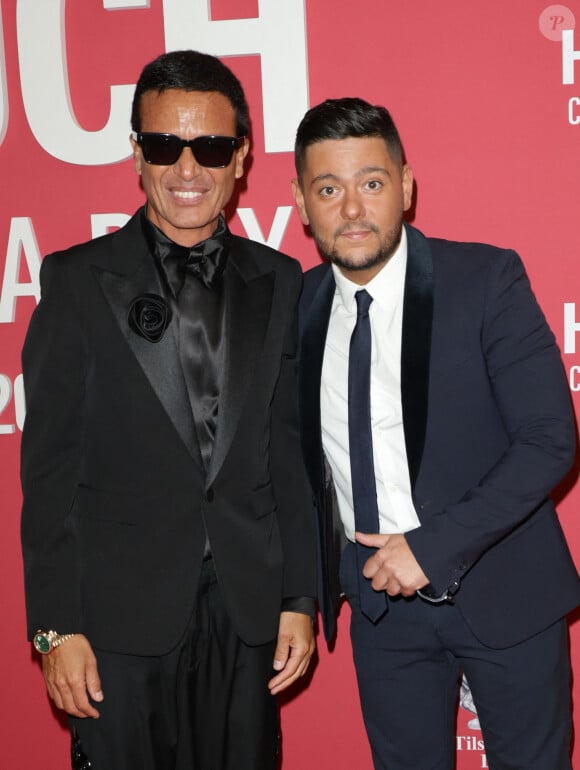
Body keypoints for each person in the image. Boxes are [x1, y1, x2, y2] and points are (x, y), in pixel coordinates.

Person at [20, 49, 316, 770]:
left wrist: (300, 598)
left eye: (211, 147)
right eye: (164, 145)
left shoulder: (280, 281)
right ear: (136, 154)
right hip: (119, 621)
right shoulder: (75, 279)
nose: (188, 169)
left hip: (246, 613)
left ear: (241, 157)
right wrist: (55, 630)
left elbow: (287, 454)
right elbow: (49, 471)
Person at [293, 97, 580, 770]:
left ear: (406, 185)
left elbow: (549, 438)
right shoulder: (294, 306)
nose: (353, 210)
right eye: (329, 189)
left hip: (504, 590)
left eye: (372, 182)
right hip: (380, 611)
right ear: (302, 204)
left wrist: (432, 547)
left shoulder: (484, 280)